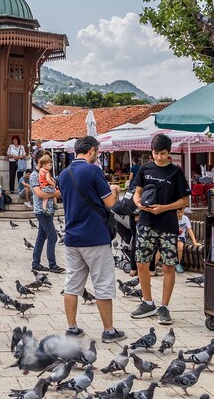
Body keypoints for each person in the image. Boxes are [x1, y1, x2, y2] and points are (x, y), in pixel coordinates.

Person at [58, 136, 125, 343]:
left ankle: (72, 327)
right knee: (103, 283)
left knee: (72, 284)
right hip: (95, 235)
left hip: (72, 236)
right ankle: (108, 330)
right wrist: (115, 189)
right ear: (92, 151)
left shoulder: (63, 173)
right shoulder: (93, 170)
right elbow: (110, 203)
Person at [130, 133, 190, 325]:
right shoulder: (144, 169)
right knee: (141, 263)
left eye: (163, 154)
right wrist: (138, 203)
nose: (159, 157)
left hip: (168, 224)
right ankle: (148, 302)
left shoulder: (176, 172)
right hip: (146, 222)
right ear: (152, 152)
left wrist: (164, 208)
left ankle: (164, 306)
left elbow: (185, 200)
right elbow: (136, 192)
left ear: (169, 153)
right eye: (156, 153)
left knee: (168, 265)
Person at [175, 208, 199, 273]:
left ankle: (178, 263)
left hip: (181, 237)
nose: (180, 214)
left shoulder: (185, 218)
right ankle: (153, 266)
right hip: (173, 236)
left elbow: (189, 230)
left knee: (180, 247)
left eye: (182, 212)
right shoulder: (172, 218)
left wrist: (194, 242)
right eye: (178, 212)